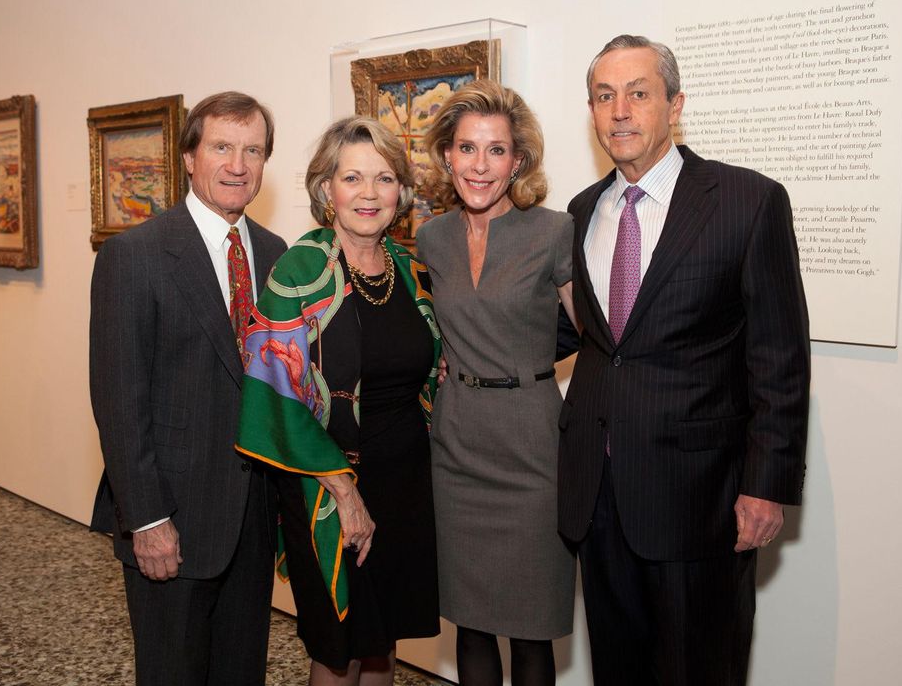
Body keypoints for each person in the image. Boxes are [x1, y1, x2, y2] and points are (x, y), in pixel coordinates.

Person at [558, 34, 811, 686]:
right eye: (605, 96)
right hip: (599, 494)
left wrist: (768, 482)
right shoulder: (584, 211)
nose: (620, 111)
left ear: (674, 104)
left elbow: (780, 357)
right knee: (618, 666)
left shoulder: (746, 202)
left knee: (700, 668)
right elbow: (599, 341)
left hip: (700, 497)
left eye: (638, 93)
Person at [234, 116, 442, 686]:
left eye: (384, 178)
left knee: (382, 643)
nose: (369, 193)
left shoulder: (410, 269)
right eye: (353, 178)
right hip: (327, 487)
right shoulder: (298, 270)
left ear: (401, 189)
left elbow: (424, 366)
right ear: (327, 189)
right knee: (338, 647)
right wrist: (344, 490)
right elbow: (272, 395)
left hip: (404, 483)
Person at [89, 91, 288, 685]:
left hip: (252, 517)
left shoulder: (276, 256)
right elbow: (119, 401)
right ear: (188, 157)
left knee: (240, 671)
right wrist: (146, 519)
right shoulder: (135, 255)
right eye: (222, 147)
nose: (238, 165)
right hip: (170, 517)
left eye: (253, 150)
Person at [416, 79, 577, 686]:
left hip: (533, 448)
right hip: (456, 444)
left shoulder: (554, 231)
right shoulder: (431, 238)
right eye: (466, 148)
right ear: (447, 155)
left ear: (519, 160)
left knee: (533, 631)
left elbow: (595, 334)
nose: (479, 166)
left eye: (497, 150)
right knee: (472, 625)